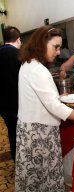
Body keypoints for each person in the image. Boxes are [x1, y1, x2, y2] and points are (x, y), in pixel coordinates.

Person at [15, 26, 74, 191]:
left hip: (32, 128)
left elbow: (45, 100)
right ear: (42, 43)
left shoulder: (29, 64)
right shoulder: (37, 70)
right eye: (56, 47)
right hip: (39, 132)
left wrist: (61, 101)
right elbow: (53, 106)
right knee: (44, 178)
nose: (58, 52)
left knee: (35, 178)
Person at [0, 26, 22, 162]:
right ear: (18, 39)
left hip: (2, 105)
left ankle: (16, 160)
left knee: (12, 132)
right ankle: (23, 162)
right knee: (22, 134)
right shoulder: (19, 55)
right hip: (18, 103)